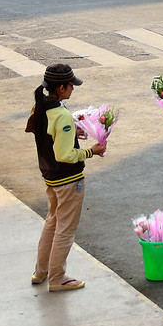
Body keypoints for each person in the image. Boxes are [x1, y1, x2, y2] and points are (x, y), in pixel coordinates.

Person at [26, 63, 105, 292]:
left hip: (50, 178)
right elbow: (65, 155)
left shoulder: (40, 107)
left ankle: (41, 271)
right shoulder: (61, 114)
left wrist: (72, 131)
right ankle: (57, 276)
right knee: (65, 228)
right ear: (61, 88)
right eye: (71, 85)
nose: (73, 89)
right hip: (68, 180)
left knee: (52, 222)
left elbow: (49, 137)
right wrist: (92, 151)